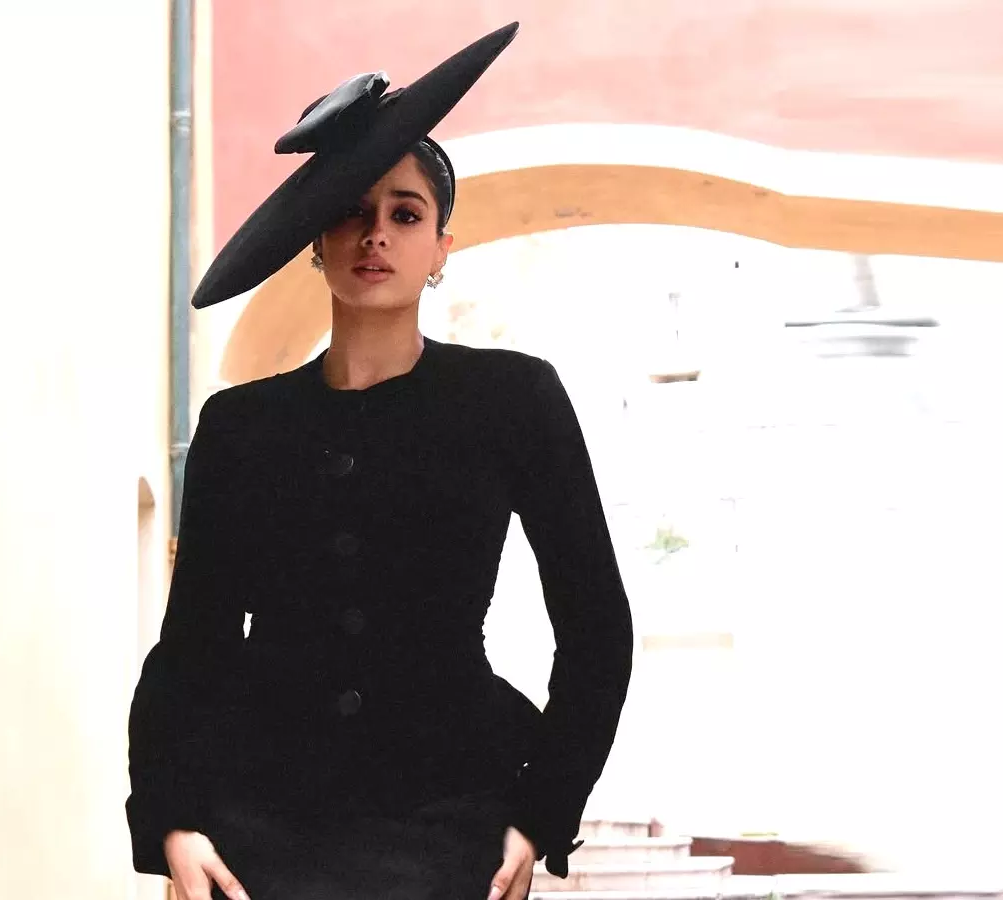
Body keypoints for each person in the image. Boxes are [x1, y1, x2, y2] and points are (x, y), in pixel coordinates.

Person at [127, 22, 633, 900]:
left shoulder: (513, 400)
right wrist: (174, 817)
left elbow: (596, 628)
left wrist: (541, 809)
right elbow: (192, 649)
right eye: (351, 212)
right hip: (259, 831)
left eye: (405, 214)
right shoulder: (241, 426)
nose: (376, 236)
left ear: (440, 250)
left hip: (451, 824)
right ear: (315, 241)